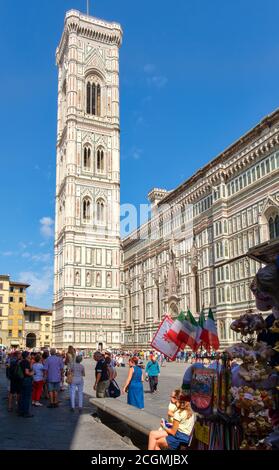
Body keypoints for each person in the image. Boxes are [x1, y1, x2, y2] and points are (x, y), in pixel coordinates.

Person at [18, 351, 34, 418]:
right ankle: (26, 412)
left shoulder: (21, 362)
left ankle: (21, 411)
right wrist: (32, 373)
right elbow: (27, 372)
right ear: (27, 356)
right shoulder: (26, 362)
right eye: (29, 354)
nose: (30, 355)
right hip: (27, 380)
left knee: (22, 396)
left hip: (22, 380)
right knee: (27, 397)